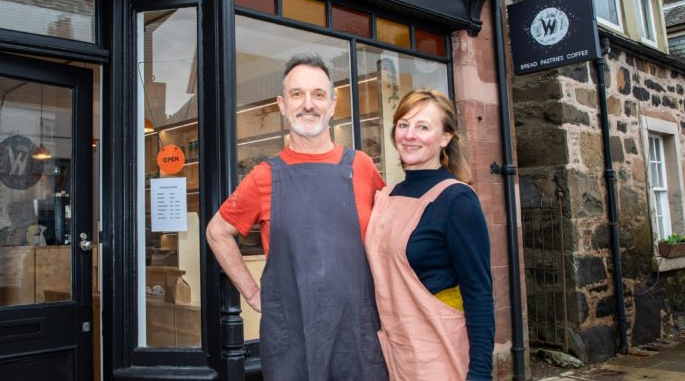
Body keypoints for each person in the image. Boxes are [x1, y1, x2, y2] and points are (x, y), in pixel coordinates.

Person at [206, 53, 388, 381]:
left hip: (357, 338)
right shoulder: (264, 176)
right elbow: (217, 231)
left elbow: (391, 239)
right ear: (282, 104)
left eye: (318, 94)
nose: (308, 104)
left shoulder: (362, 167)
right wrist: (250, 292)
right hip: (292, 339)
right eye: (297, 94)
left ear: (332, 104)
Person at [365, 89, 493, 381]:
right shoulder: (386, 195)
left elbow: (479, 291)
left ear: (445, 138)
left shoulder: (457, 200)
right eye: (404, 124)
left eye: (423, 127)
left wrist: (480, 373)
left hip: (440, 353)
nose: (410, 135)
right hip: (394, 351)